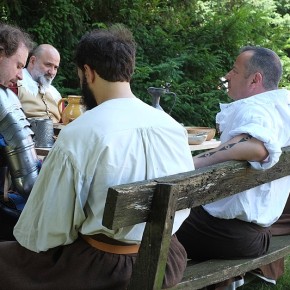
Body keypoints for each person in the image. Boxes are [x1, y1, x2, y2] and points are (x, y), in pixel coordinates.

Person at [0, 24, 194, 289]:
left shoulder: (80, 133)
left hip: (106, 270)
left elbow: (45, 234)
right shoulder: (172, 127)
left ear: (88, 73)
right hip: (165, 259)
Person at [176, 46, 290, 289]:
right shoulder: (282, 107)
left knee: (152, 219)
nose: (227, 75)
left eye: (235, 71)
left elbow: (257, 146)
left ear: (255, 79)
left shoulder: (255, 108)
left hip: (229, 235)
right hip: (257, 231)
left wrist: (194, 162)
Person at [0, 23, 38, 241]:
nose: (21, 75)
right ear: (1, 53)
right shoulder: (4, 100)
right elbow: (29, 182)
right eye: (18, 65)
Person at [16, 44, 62, 123]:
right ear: (32, 61)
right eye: (48, 65)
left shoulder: (56, 95)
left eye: (55, 67)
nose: (52, 72)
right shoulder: (14, 84)